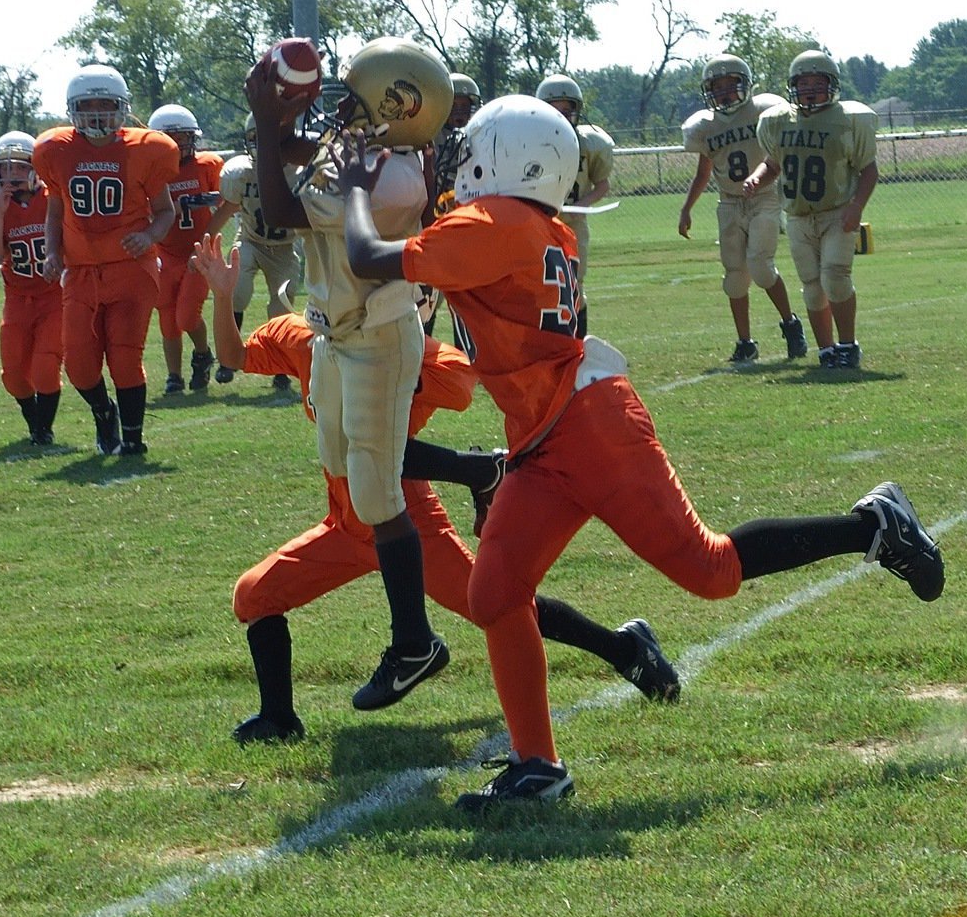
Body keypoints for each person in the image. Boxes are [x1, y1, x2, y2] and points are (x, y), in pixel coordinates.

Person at [338, 95, 945, 811]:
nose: (457, 157)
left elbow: (368, 257)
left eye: (471, 146)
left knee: (712, 572)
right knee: (495, 594)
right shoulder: (536, 222)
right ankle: (537, 765)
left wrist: (352, 185)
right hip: (546, 428)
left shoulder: (497, 221)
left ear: (508, 158)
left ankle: (874, 524)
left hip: (589, 426)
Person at [188, 242, 680, 742]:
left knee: (502, 607)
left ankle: (626, 649)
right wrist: (222, 298)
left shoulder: (429, 361)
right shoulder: (307, 340)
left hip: (408, 525)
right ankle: (278, 717)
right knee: (255, 595)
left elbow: (389, 441)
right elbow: (233, 356)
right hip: (345, 521)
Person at [245, 35, 456, 711]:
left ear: (393, 107)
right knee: (344, 465)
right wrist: (278, 123)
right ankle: (480, 469)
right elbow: (299, 158)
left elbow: (280, 212)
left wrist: (261, 120)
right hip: (335, 333)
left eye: (354, 98)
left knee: (375, 494)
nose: (340, 106)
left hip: (375, 337)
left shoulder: (392, 178)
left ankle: (413, 643)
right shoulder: (372, 155)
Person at [32, 65, 179, 455]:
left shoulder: (147, 148)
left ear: (123, 108)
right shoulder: (55, 150)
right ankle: (103, 412)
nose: (97, 114)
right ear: (72, 110)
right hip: (80, 271)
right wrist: (52, 252)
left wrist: (148, 235)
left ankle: (132, 438)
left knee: (125, 358)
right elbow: (54, 212)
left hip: (132, 267)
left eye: (106, 105)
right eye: (88, 106)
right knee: (79, 365)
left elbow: (165, 212)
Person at [742, 50, 879, 369]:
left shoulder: (849, 118)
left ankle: (848, 345)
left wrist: (857, 206)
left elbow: (868, 169)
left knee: (835, 277)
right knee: (812, 288)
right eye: (803, 84)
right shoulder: (778, 121)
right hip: (798, 217)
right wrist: (755, 179)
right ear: (793, 87)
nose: (810, 90)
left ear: (832, 85)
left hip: (837, 212)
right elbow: (773, 164)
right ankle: (827, 350)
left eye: (817, 83)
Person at [679, 55, 808, 364]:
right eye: (717, 87)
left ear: (745, 85)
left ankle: (791, 325)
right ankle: (745, 341)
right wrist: (687, 208)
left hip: (764, 196)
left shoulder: (765, 110)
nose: (724, 93)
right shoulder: (705, 125)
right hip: (729, 202)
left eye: (730, 85)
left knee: (761, 267)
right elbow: (703, 172)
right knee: (735, 275)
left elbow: (780, 152)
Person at [0, 131, 63, 444]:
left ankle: (42, 431)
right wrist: (1, 214)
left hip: (54, 296)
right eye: (4, 169)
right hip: (17, 298)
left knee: (45, 367)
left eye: (20, 168)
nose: (12, 175)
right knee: (13, 377)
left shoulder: (54, 200)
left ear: (35, 170)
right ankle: (34, 420)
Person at [205, 112, 303, 389]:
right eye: (256, 139)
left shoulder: (300, 172)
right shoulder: (242, 172)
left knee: (280, 307)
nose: (263, 145)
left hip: (284, 248)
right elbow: (228, 209)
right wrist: (204, 242)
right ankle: (227, 360)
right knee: (238, 290)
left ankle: (280, 367)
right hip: (250, 240)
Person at [146, 104, 221, 395]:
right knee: (167, 317)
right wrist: (174, 208)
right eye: (171, 138)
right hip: (165, 251)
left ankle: (202, 353)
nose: (178, 144)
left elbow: (227, 201)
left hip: (200, 249)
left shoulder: (208, 164)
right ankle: (174, 376)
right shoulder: (152, 172)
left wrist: (199, 200)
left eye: (183, 136)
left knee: (187, 316)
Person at [535, 73, 614, 337]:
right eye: (554, 109)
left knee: (574, 285)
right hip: (539, 223)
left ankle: (577, 347)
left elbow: (603, 184)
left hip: (573, 224)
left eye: (567, 110)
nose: (561, 116)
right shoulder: (529, 142)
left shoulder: (590, 143)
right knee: (538, 285)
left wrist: (580, 206)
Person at [422, 72, 483, 342]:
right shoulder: (426, 135)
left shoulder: (482, 137)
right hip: (435, 227)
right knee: (426, 301)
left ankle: (464, 363)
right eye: (452, 105)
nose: (459, 111)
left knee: (467, 306)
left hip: (468, 230)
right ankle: (422, 362)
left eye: (463, 105)